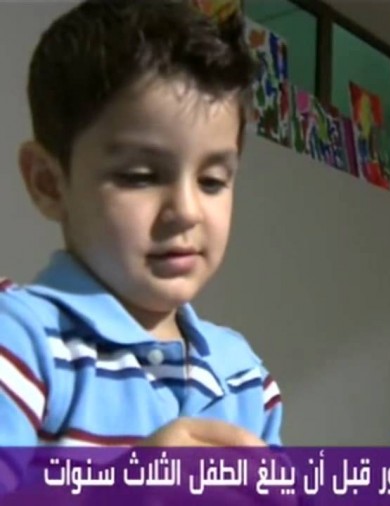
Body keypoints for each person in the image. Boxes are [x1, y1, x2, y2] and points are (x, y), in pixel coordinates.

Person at [0, 0, 282, 488]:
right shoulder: (20, 341)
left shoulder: (245, 378)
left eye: (213, 181)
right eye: (139, 176)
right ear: (48, 183)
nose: (187, 211)